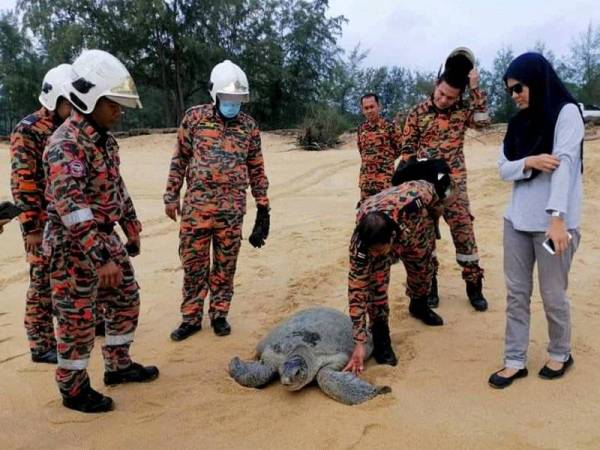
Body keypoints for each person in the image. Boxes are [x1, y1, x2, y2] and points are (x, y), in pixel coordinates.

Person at [44, 49, 158, 413]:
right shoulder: (65, 144)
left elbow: (115, 186)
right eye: (114, 104)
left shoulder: (104, 140)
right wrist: (101, 256)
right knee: (77, 320)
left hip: (104, 237)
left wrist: (131, 224)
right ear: (90, 99)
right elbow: (72, 208)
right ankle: (73, 389)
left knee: (126, 298)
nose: (119, 112)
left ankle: (118, 365)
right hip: (73, 246)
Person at [488, 53, 584, 389]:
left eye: (519, 87)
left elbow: (566, 167)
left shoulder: (566, 113)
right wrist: (528, 160)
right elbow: (503, 168)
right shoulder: (517, 125)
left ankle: (561, 351)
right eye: (509, 91)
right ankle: (515, 359)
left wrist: (557, 219)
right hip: (516, 221)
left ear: (537, 79)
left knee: (553, 293)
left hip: (554, 225)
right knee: (517, 294)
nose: (514, 96)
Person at [165, 60, 270, 341]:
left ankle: (220, 313)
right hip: (197, 210)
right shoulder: (194, 118)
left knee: (226, 265)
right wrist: (171, 194)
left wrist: (263, 206)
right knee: (193, 265)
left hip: (231, 212)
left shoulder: (248, 127)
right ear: (215, 95)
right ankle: (190, 318)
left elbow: (256, 167)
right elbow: (180, 158)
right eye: (229, 98)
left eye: (238, 99)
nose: (233, 104)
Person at [401, 48, 490, 312]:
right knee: (425, 238)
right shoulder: (417, 113)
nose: (443, 100)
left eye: (450, 97)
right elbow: (407, 154)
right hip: (427, 185)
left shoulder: (463, 109)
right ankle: (430, 287)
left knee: (464, 234)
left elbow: (483, 123)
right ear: (436, 83)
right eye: (441, 93)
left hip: (453, 186)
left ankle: (474, 286)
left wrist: (475, 89)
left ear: (459, 96)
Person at [343, 160, 452, 374]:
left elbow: (443, 194)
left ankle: (419, 305)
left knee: (423, 271)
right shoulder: (362, 244)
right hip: (385, 235)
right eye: (371, 252)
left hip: (416, 230)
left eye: (378, 251)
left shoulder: (417, 196)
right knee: (376, 290)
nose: (374, 255)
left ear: (391, 238)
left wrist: (434, 220)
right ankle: (381, 338)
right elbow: (356, 291)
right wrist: (359, 341)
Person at [10, 64, 73, 364]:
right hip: (42, 223)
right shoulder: (28, 130)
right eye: (67, 101)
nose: (72, 107)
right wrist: (31, 228)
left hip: (69, 219)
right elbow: (23, 183)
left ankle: (82, 324)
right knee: (42, 284)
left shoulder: (73, 126)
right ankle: (41, 343)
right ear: (53, 98)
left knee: (74, 276)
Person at [356, 93, 402, 204]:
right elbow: (361, 149)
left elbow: (399, 148)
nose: (369, 111)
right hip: (366, 181)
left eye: (372, 107)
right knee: (365, 213)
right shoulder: (361, 128)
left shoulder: (390, 126)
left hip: (385, 180)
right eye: (366, 108)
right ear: (362, 110)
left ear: (379, 106)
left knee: (386, 213)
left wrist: (385, 160)